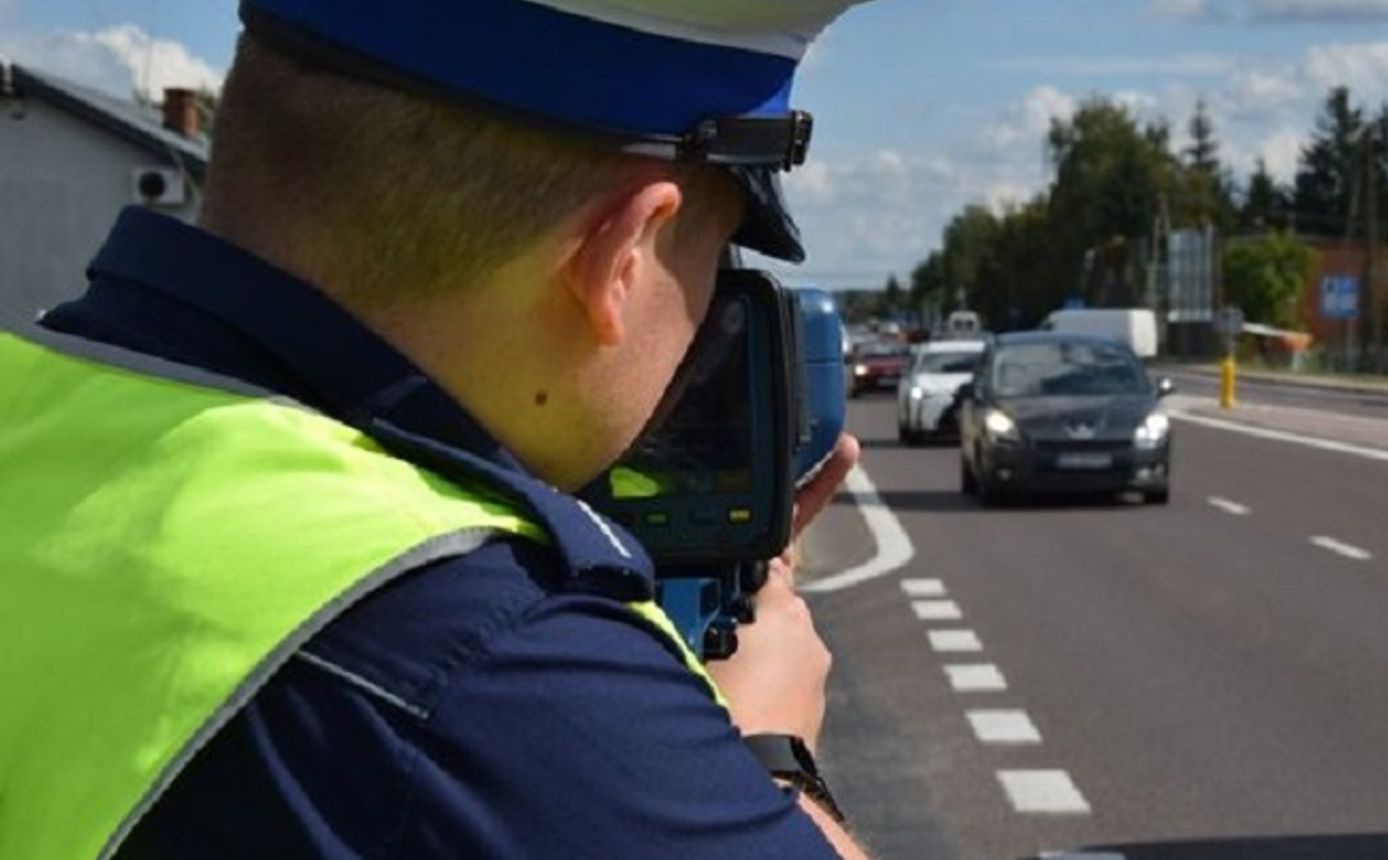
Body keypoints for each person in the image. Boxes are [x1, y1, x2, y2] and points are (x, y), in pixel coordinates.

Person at [0, 1, 875, 857]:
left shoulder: (27, 397)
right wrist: (770, 753)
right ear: (624, 255)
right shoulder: (492, 672)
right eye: (711, 260)